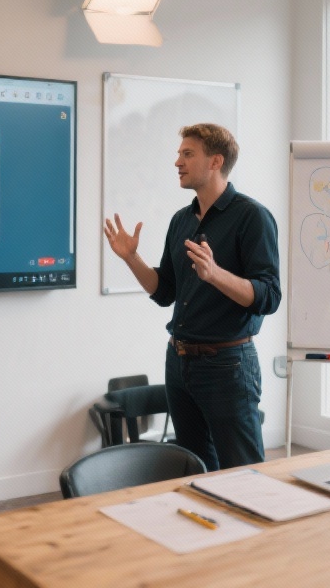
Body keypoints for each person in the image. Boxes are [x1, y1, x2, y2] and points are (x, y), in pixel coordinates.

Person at [103, 123, 281, 471]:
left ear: (215, 161)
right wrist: (130, 258)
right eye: (179, 153)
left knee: (242, 472)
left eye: (188, 154)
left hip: (227, 365)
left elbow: (269, 296)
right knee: (195, 469)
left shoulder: (252, 217)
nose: (177, 162)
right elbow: (164, 291)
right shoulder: (181, 220)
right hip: (180, 362)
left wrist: (216, 275)